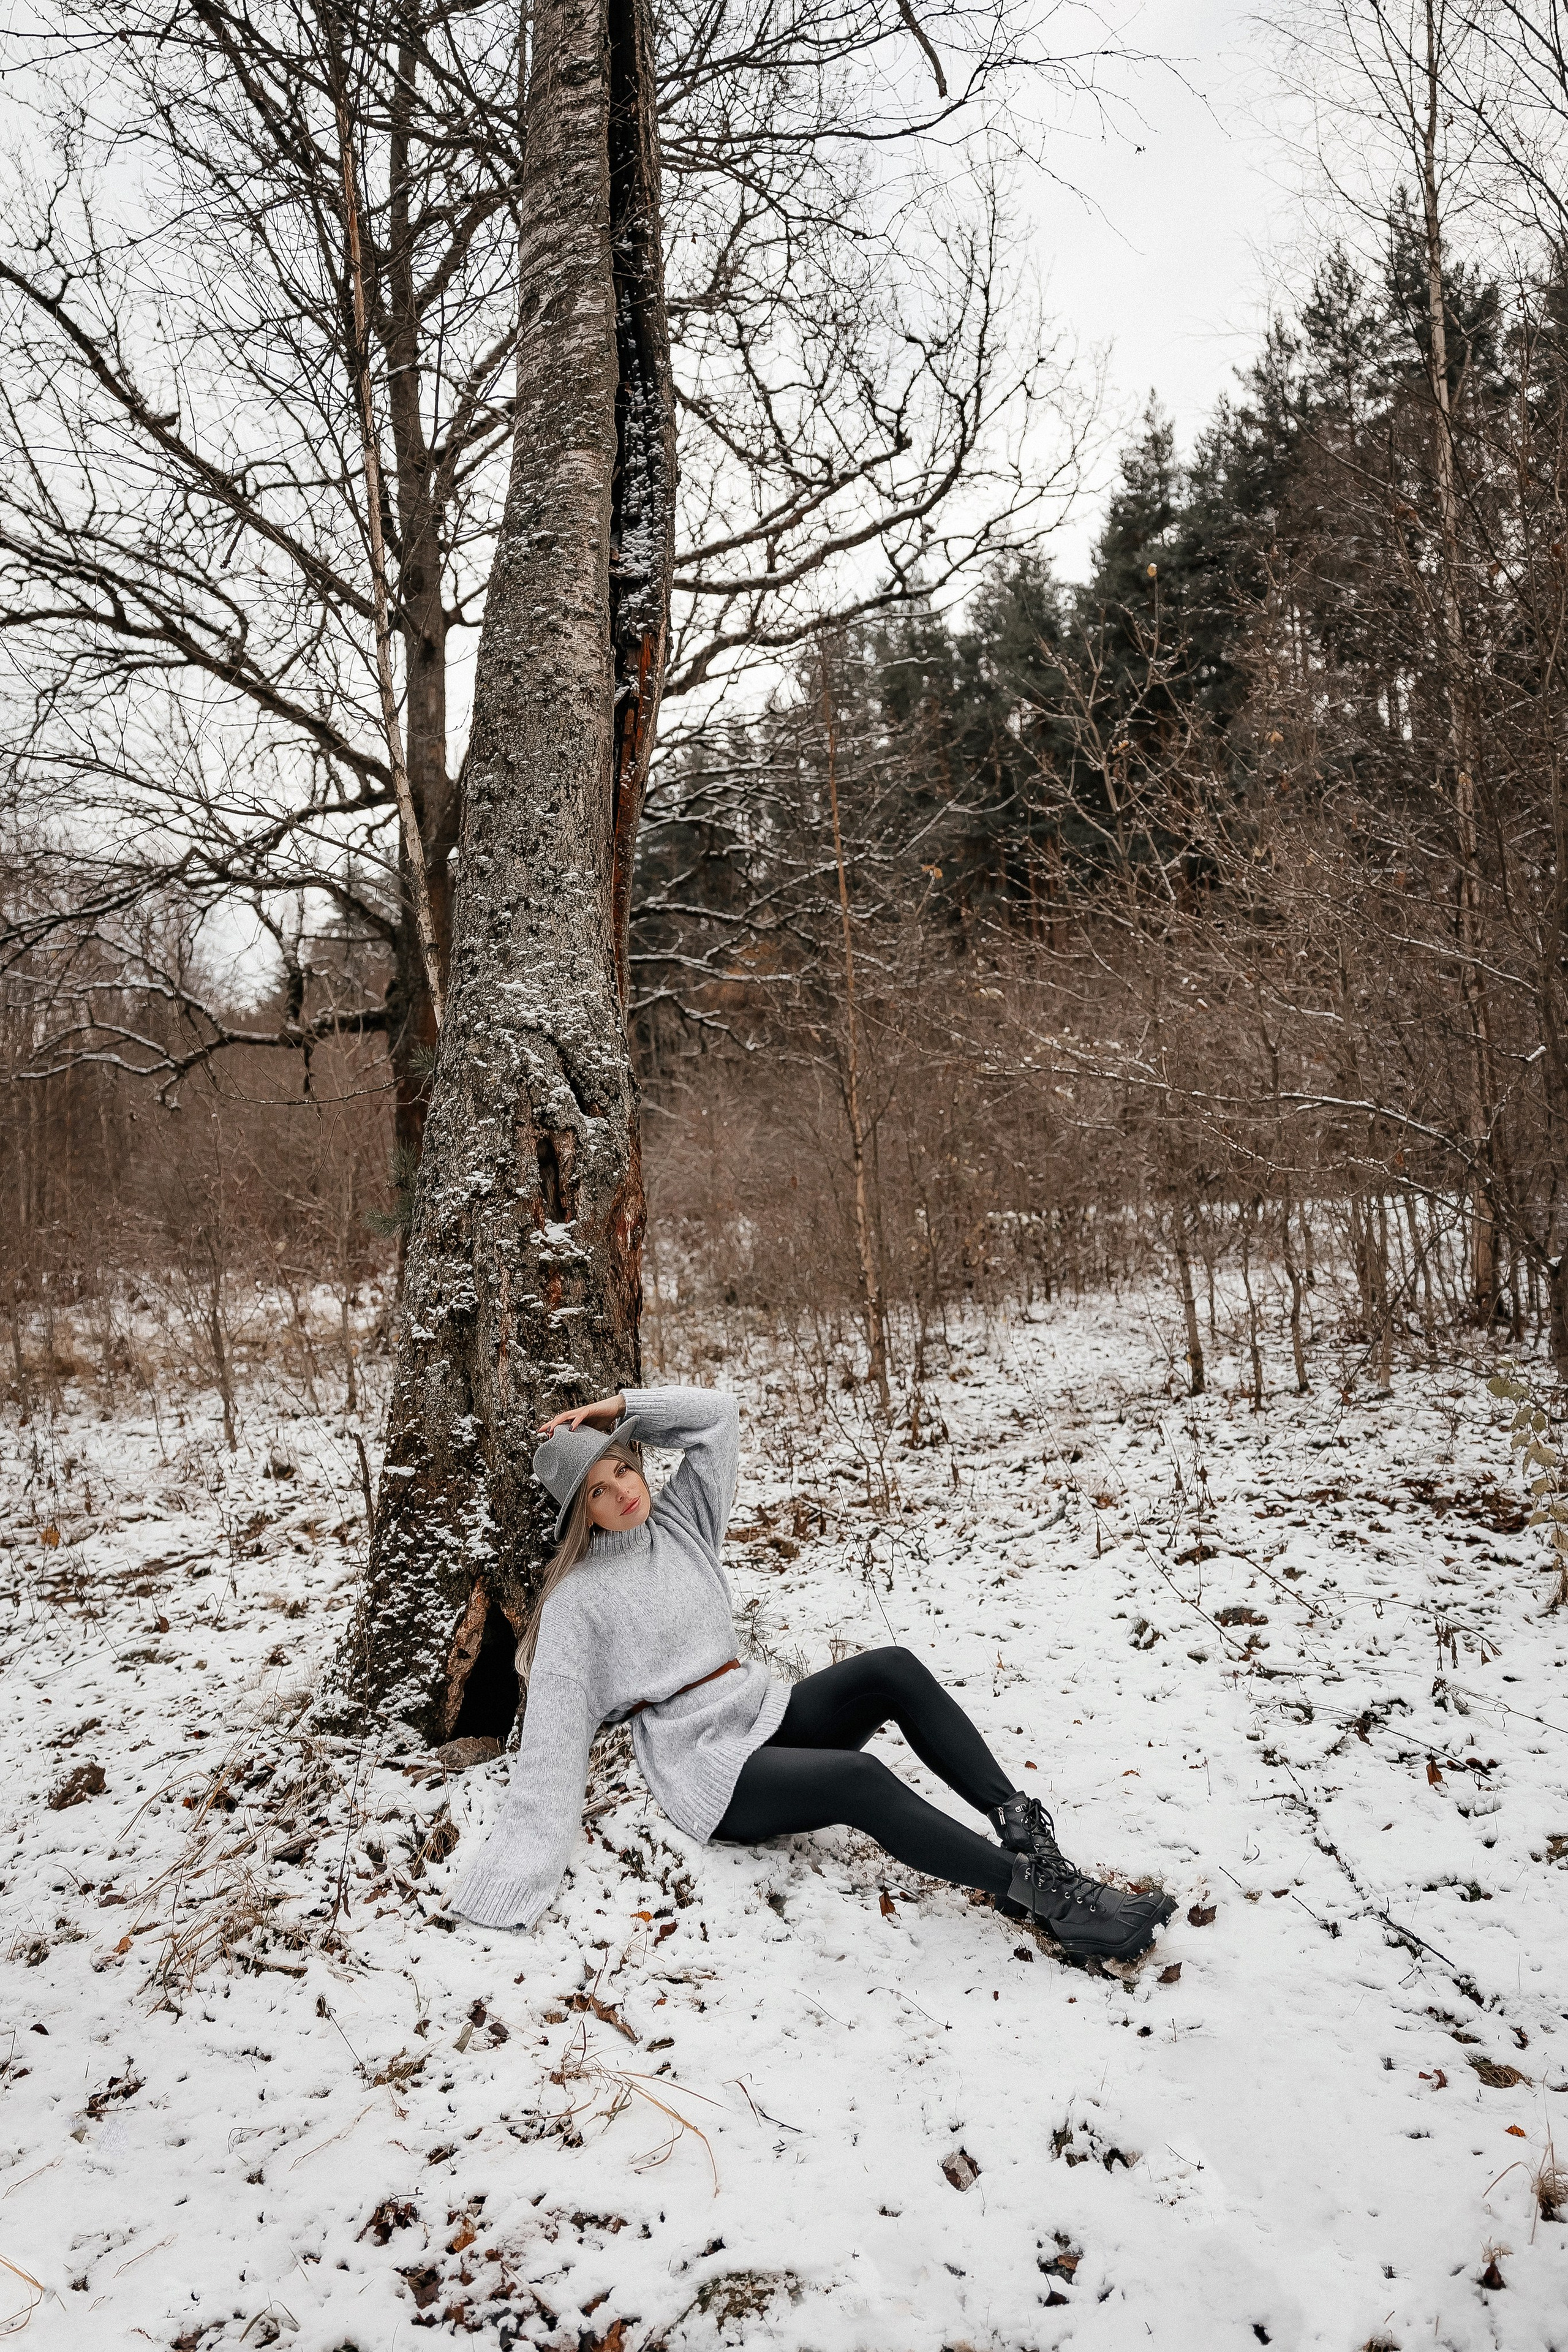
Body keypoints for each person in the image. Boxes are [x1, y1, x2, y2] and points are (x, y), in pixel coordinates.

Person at [451, 1387, 1175, 1963]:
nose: (623, 1492)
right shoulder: (575, 1601)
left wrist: (621, 1406)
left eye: (621, 1467)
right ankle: (1052, 1902)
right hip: (705, 1768)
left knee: (890, 1667)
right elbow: (551, 1742)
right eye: (599, 1493)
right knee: (856, 1781)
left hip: (760, 1709)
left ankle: (1023, 1834)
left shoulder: (680, 1526)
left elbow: (718, 1417)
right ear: (579, 1512)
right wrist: (513, 1873)